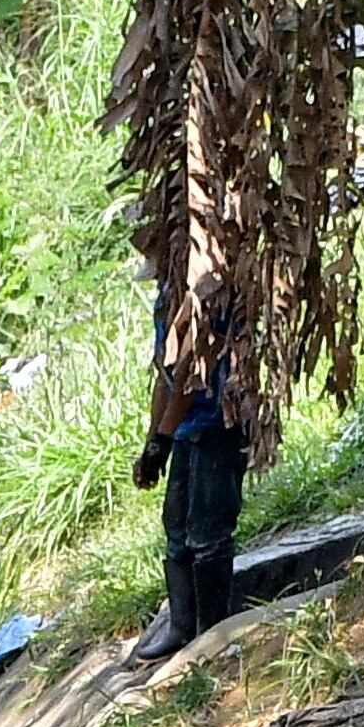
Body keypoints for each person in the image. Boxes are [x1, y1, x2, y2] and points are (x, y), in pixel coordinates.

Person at [128, 265, 242, 661]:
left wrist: (162, 437)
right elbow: (164, 372)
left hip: (217, 420)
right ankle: (181, 627)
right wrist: (153, 441)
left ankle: (213, 636)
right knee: (176, 529)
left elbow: (188, 371)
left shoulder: (207, 294)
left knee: (208, 535)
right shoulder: (167, 297)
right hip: (183, 428)